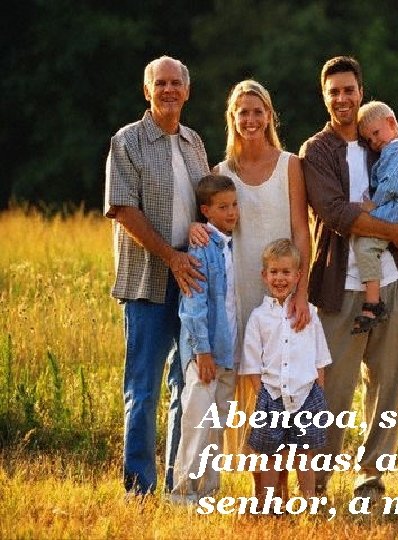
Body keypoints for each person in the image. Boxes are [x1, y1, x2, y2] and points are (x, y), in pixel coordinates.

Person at [299, 55, 398, 500]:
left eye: (349, 89)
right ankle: (321, 480)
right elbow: (334, 213)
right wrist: (395, 230)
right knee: (334, 389)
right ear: (325, 97)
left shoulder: (379, 142)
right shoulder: (317, 150)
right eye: (334, 91)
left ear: (361, 92)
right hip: (340, 285)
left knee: (387, 386)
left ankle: (371, 475)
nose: (343, 98)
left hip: (390, 280)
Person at [190, 79, 311, 494]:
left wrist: (301, 290)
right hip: (237, 293)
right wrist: (193, 227)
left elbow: (301, 228)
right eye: (243, 111)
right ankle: (257, 487)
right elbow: (204, 224)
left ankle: (297, 488)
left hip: (283, 289)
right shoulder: (220, 173)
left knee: (289, 381)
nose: (251, 119)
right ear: (232, 118)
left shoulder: (290, 165)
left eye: (258, 111)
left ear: (269, 116)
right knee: (251, 387)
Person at [104, 55, 210, 496]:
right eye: (160, 83)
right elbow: (123, 208)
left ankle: (175, 483)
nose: (168, 90)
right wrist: (170, 256)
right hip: (149, 278)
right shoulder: (127, 141)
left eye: (175, 84)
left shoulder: (193, 142)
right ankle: (139, 488)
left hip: (191, 282)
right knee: (143, 389)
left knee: (185, 385)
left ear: (186, 91)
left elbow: (208, 203)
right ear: (147, 91)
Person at [241, 238, 331, 498]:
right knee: (270, 454)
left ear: (297, 275)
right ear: (264, 275)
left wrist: (319, 394)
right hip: (271, 396)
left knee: (305, 454)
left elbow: (320, 359)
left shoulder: (309, 313)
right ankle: (270, 502)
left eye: (286, 272)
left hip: (306, 394)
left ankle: (308, 501)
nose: (280, 278)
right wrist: (263, 395)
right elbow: (251, 363)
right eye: (274, 272)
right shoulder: (258, 318)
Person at [171, 174, 239, 504]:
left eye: (235, 205)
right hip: (206, 354)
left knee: (217, 427)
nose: (232, 212)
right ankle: (183, 494)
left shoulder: (231, 244)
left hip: (227, 352)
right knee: (197, 423)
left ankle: (209, 492)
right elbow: (193, 305)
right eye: (223, 207)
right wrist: (202, 351)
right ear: (205, 210)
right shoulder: (201, 247)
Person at [351, 100, 398, 334]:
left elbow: (394, 183)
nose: (374, 142)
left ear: (392, 123)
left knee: (365, 240)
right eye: (369, 139)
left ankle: (373, 303)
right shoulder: (393, 151)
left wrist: (373, 206)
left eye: (376, 133)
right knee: (371, 243)